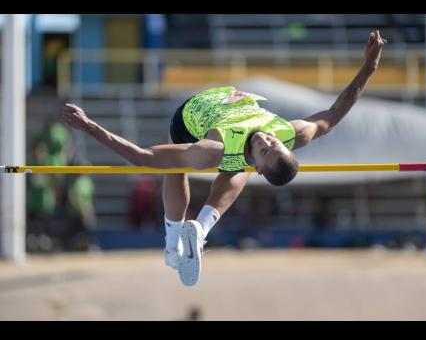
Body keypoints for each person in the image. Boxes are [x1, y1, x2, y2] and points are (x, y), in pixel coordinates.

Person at [60, 30, 387, 287]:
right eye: (273, 142)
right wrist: (368, 68)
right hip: (218, 110)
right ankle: (187, 237)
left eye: (264, 149)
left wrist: (90, 127)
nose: (265, 139)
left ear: (262, 165)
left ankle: (182, 239)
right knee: (232, 166)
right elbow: (332, 114)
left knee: (184, 167)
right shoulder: (290, 133)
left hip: (189, 122)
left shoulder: (212, 151)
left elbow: (142, 157)